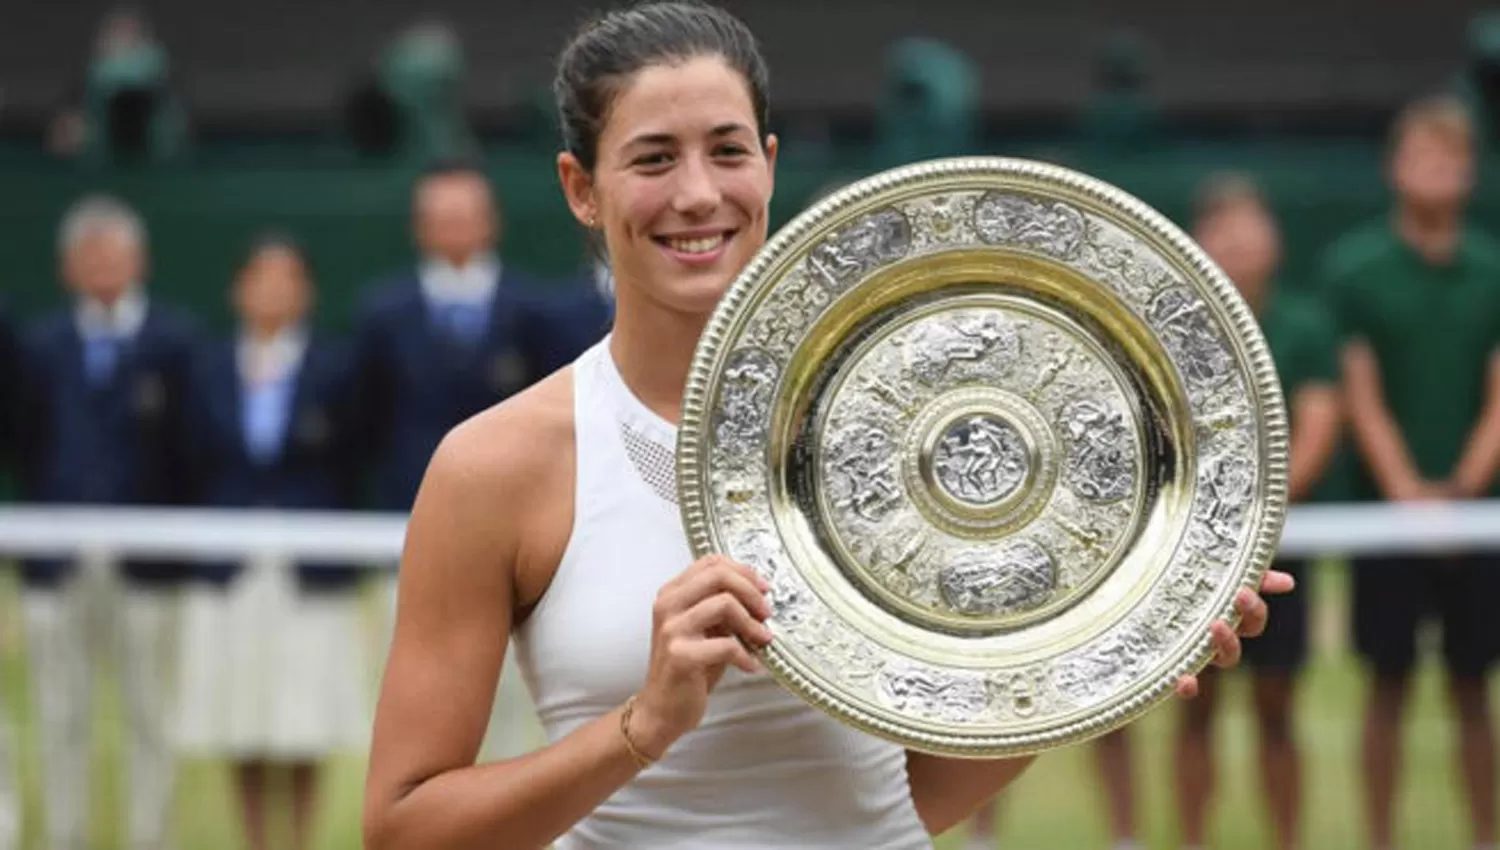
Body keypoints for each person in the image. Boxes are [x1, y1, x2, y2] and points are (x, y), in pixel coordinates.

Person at [361, 5, 1290, 849]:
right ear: (581, 188)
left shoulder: (914, 433)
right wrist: (644, 727)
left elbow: (895, 801)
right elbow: (403, 830)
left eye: (727, 152)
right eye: (653, 158)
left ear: (768, 161)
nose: (697, 194)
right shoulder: (495, 468)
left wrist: (1101, 663)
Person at [1320, 93, 1500, 850]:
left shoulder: (1493, 269)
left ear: (1472, 173)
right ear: (1397, 167)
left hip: (1478, 522)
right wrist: (1406, 495)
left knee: (1473, 690)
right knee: (1385, 687)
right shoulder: (1353, 269)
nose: (1439, 171)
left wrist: (1461, 491)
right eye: (1425, 155)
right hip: (1385, 522)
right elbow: (1359, 392)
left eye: (1453, 159)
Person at [15, 194, 200, 850]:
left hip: (147, 566)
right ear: (66, 268)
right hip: (55, 564)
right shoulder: (38, 348)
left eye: (114, 254)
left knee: (151, 719)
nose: (102, 268)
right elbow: (28, 442)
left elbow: (189, 450)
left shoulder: (175, 343)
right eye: (88, 256)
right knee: (61, 718)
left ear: (139, 262)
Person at [175, 235, 370, 850]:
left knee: (303, 718)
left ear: (306, 291)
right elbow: (189, 462)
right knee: (244, 715)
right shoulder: (207, 367)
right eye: (260, 279)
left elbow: (353, 460)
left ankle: (302, 840)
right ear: (238, 290)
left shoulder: (337, 368)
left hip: (309, 568)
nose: (272, 293)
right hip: (229, 566)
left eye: (286, 280)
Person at [1174, 174, 1342, 850]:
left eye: (1251, 227)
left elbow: (1320, 419)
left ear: (1275, 239)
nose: (1240, 243)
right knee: (1195, 708)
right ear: (1197, 242)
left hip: (1278, 547)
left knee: (1278, 707)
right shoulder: (1176, 330)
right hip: (1189, 549)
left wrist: (1259, 517)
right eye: (1224, 229)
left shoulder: (1305, 324)